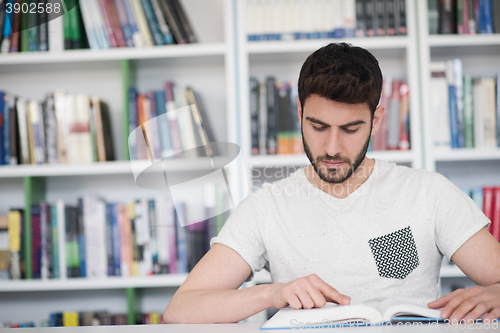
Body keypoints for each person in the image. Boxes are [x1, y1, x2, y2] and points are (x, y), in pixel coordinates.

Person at [163, 42, 500, 324]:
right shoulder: (266, 207)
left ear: (376, 120)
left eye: (351, 129)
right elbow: (180, 311)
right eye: (318, 127)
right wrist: (271, 293)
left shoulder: (429, 193)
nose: (333, 149)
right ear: (299, 113)